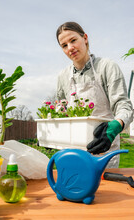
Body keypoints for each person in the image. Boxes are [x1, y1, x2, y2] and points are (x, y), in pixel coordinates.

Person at [56, 21, 133, 168]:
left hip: (104, 149)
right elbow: (61, 112)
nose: (70, 48)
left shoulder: (107, 67)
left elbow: (124, 105)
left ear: (85, 38)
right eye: (64, 45)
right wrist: (54, 133)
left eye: (73, 40)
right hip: (73, 152)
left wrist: (115, 126)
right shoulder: (62, 77)